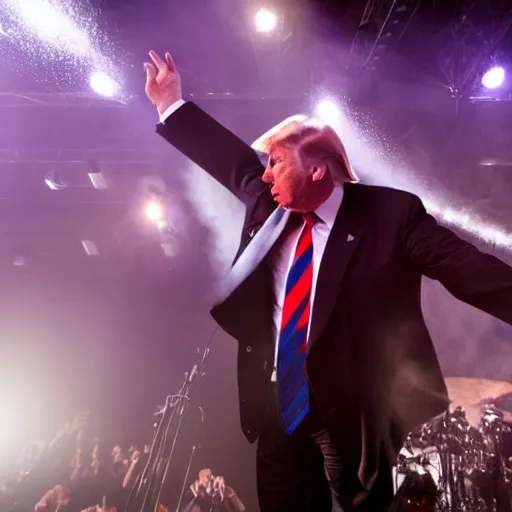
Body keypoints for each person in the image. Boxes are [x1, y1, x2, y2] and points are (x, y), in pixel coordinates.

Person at [144, 49, 512, 512]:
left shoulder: (390, 215)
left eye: (276, 162)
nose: (265, 173)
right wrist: (171, 105)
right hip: (278, 402)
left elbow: (464, 267)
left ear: (316, 169)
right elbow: (230, 161)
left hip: (352, 413)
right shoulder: (268, 202)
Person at [181, 468, 246, 512]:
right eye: (207, 477)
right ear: (198, 481)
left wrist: (232, 495)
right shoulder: (192, 497)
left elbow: (242, 510)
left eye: (212, 478)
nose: (210, 481)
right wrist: (199, 491)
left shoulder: (220, 499)